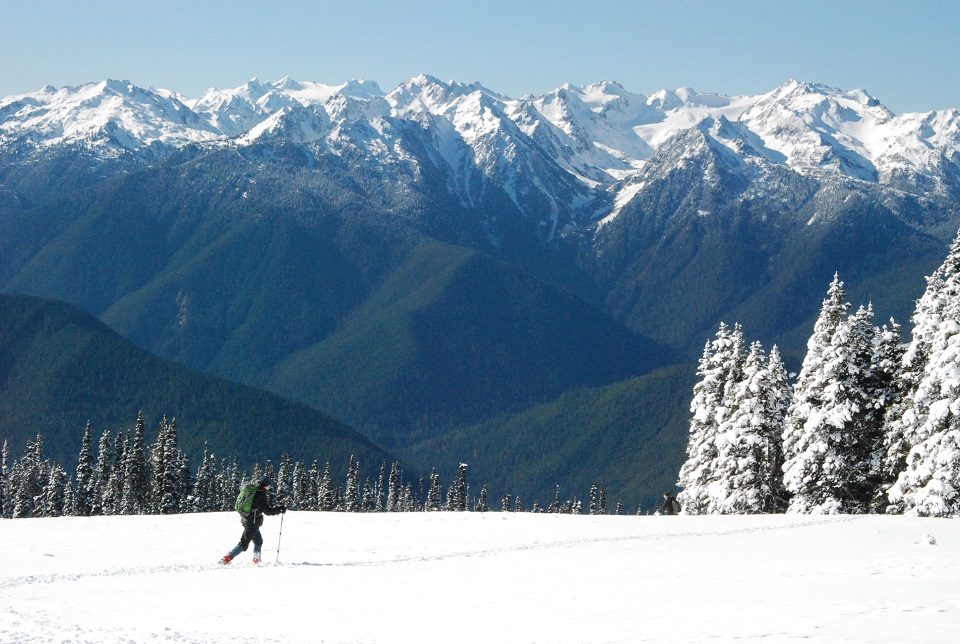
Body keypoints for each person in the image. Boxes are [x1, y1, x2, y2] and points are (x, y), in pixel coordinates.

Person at [220, 476, 286, 565]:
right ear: (265, 485)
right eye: (269, 485)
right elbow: (268, 511)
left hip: (248, 519)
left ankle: (256, 561)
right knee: (243, 544)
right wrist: (279, 509)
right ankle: (226, 559)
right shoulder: (261, 495)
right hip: (253, 522)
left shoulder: (254, 491)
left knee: (258, 541)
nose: (269, 487)